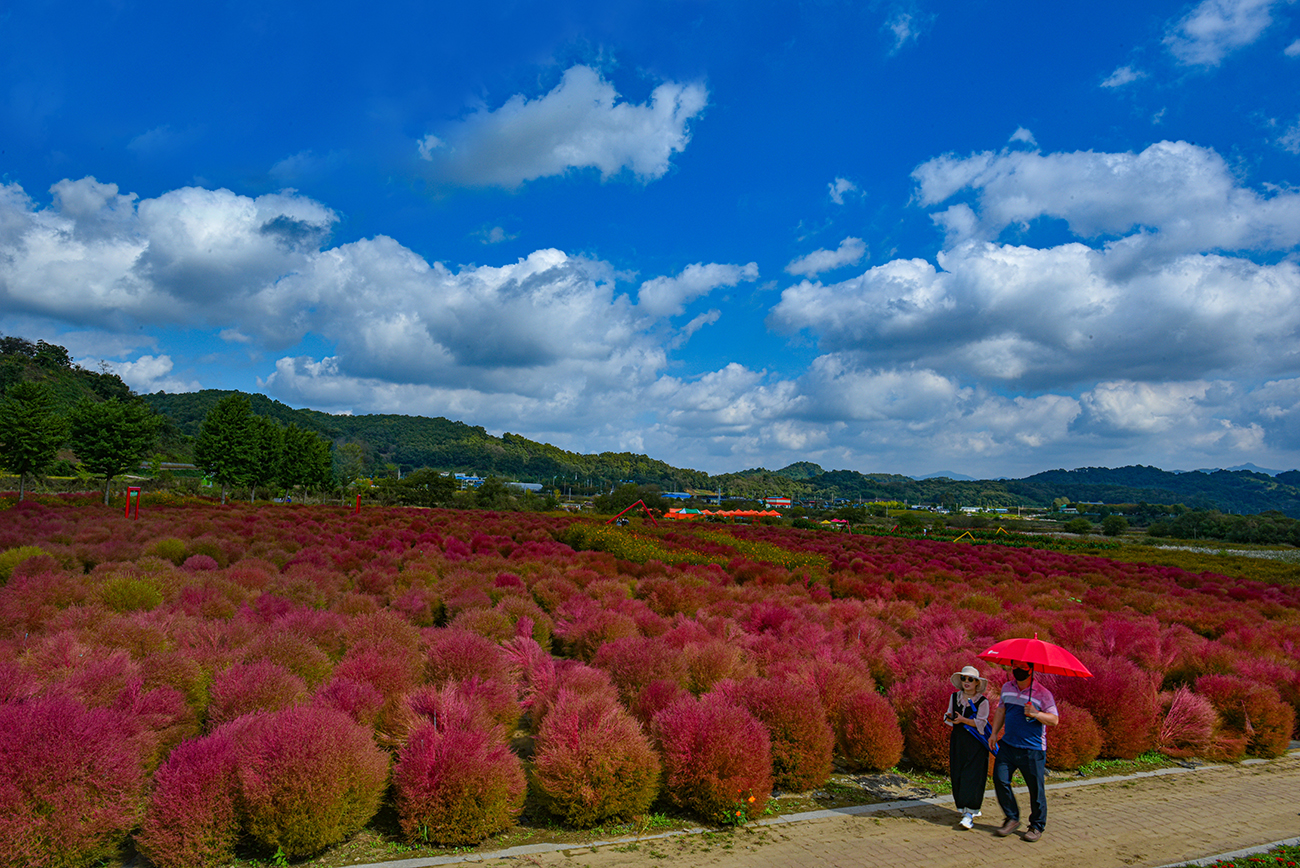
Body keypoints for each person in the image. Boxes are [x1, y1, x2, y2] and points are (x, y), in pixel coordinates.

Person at [989, 659, 1059, 843]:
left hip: (1032, 750)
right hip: (1008, 746)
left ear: (1031, 669)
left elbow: (1054, 720)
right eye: (1015, 667)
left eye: (1022, 667)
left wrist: (1036, 713)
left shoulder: (1043, 694)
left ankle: (1037, 825)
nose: (1018, 670)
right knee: (1000, 779)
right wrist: (994, 733)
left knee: (1036, 789)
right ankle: (1012, 818)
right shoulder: (1007, 687)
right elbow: (1001, 711)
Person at [944, 665, 993, 830]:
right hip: (958, 741)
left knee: (973, 776)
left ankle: (969, 813)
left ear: (977, 683)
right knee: (958, 772)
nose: (967, 682)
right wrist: (950, 718)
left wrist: (963, 720)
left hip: (976, 744)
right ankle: (964, 807)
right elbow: (949, 715)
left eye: (970, 679)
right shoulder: (954, 697)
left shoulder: (983, 701)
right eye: (964, 679)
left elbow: (981, 723)